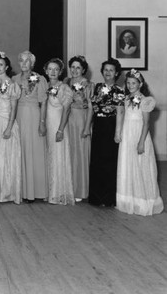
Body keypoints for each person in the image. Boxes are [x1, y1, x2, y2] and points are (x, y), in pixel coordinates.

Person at [116, 69, 164, 216]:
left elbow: (146, 123)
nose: (130, 85)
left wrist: (141, 142)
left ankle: (143, 201)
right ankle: (128, 200)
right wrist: (119, 133)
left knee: (140, 166)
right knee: (128, 166)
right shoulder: (125, 98)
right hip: (127, 134)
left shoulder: (145, 100)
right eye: (128, 83)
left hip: (138, 135)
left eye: (134, 83)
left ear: (140, 84)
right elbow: (123, 116)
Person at [12, 50, 48, 202]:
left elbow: (44, 102)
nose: (24, 63)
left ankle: (35, 192)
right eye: (21, 60)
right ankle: (20, 191)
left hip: (34, 116)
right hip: (18, 116)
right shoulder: (14, 78)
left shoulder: (40, 79)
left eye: (27, 61)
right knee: (20, 151)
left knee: (33, 151)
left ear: (32, 63)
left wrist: (42, 123)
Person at [88, 58, 124, 207]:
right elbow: (92, 108)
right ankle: (96, 197)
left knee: (109, 162)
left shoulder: (119, 91)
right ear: (102, 72)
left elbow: (120, 112)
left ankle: (108, 198)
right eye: (106, 70)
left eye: (111, 70)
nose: (108, 72)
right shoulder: (96, 87)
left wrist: (117, 133)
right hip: (98, 126)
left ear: (116, 73)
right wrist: (87, 128)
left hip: (111, 127)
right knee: (96, 161)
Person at [0, 52, 22, 204]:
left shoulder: (12, 85)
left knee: (7, 158)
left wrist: (9, 127)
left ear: (7, 67)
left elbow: (14, 108)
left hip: (7, 123)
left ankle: (8, 193)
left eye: (1, 65)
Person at [44, 58, 74, 206]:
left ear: (60, 72)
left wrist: (61, 129)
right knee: (49, 156)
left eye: (56, 69)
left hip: (58, 126)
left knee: (58, 156)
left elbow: (66, 110)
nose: (53, 72)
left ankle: (58, 193)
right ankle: (48, 191)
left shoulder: (64, 88)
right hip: (47, 126)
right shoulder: (45, 85)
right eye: (50, 69)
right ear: (46, 71)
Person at [64, 55, 94, 202]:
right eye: (73, 67)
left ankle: (81, 190)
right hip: (68, 119)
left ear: (83, 69)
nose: (75, 70)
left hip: (81, 119)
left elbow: (90, 106)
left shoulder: (87, 84)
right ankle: (70, 187)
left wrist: (87, 127)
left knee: (81, 154)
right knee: (70, 152)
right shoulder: (66, 82)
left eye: (78, 67)